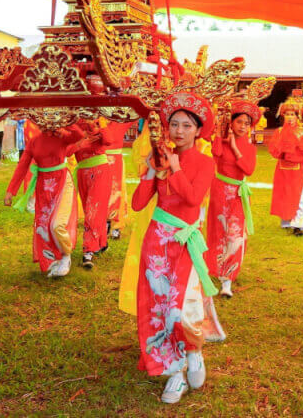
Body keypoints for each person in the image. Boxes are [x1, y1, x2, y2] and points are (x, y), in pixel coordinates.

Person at [131, 92, 219, 404]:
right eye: (174, 125)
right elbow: (138, 203)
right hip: (157, 242)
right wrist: (153, 171)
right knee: (158, 309)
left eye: (186, 125)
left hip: (185, 242)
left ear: (198, 130)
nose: (179, 131)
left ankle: (193, 349)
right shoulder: (158, 160)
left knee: (182, 307)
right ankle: (175, 374)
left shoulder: (205, 162)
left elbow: (193, 199)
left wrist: (176, 167)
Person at [4, 124, 83, 277]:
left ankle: (66, 255)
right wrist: (10, 190)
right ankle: (53, 259)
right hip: (44, 186)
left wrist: (66, 122)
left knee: (56, 224)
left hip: (62, 182)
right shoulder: (34, 141)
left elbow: (78, 135)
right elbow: (22, 165)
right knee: (44, 226)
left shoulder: (61, 135)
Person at [205, 100, 259, 299]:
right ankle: (218, 269)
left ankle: (228, 278)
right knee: (219, 232)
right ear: (232, 123)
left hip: (237, 194)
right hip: (219, 190)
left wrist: (235, 147)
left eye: (247, 123)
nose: (243, 126)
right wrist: (221, 133)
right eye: (239, 122)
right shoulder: (221, 140)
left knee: (234, 235)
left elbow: (249, 169)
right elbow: (215, 154)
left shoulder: (250, 147)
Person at [72, 118, 114, 268]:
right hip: (82, 172)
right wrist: (82, 141)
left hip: (100, 171)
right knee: (91, 210)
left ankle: (87, 251)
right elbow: (67, 151)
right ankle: (101, 242)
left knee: (93, 211)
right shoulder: (72, 123)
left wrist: (101, 125)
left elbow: (109, 140)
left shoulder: (98, 120)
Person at [268, 99, 303, 235]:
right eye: (287, 114)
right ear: (283, 116)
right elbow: (273, 149)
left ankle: (298, 224)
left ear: (297, 116)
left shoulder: (302, 132)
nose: (290, 117)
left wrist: (287, 154)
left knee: (298, 196)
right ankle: (286, 221)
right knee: (283, 194)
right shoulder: (279, 132)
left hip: (298, 169)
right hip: (282, 168)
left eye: (293, 114)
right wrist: (282, 152)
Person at [104, 120, 133, 239]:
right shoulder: (97, 120)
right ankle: (104, 222)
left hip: (116, 161)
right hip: (100, 159)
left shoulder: (121, 121)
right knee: (102, 192)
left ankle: (116, 226)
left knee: (118, 193)